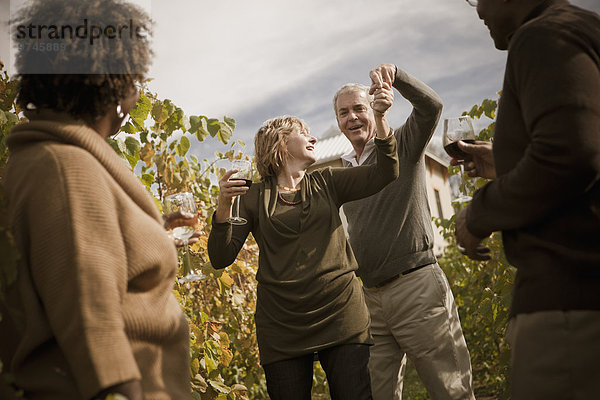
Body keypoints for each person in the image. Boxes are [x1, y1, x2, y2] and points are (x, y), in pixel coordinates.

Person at [0, 1, 193, 399]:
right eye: (134, 78)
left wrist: (152, 233)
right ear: (116, 82)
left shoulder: (51, 160)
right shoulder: (66, 168)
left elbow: (84, 260)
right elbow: (91, 319)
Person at [207, 81, 398, 399]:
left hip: (342, 315)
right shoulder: (251, 197)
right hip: (282, 326)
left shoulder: (328, 181)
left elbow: (386, 172)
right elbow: (220, 256)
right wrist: (224, 206)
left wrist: (380, 119)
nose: (312, 137)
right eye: (302, 131)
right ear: (280, 144)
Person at [455, 0, 600, 398]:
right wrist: (508, 161)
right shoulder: (585, 28)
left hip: (568, 303)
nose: (478, 10)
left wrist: (477, 214)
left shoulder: (542, 35)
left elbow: (569, 155)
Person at [334, 65, 475, 400]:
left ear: (375, 108)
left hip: (417, 288)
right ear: (338, 121)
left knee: (450, 389)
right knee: (377, 394)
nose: (352, 117)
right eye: (343, 112)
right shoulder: (343, 171)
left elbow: (432, 107)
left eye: (359, 108)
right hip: (371, 300)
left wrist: (397, 75)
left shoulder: (402, 145)